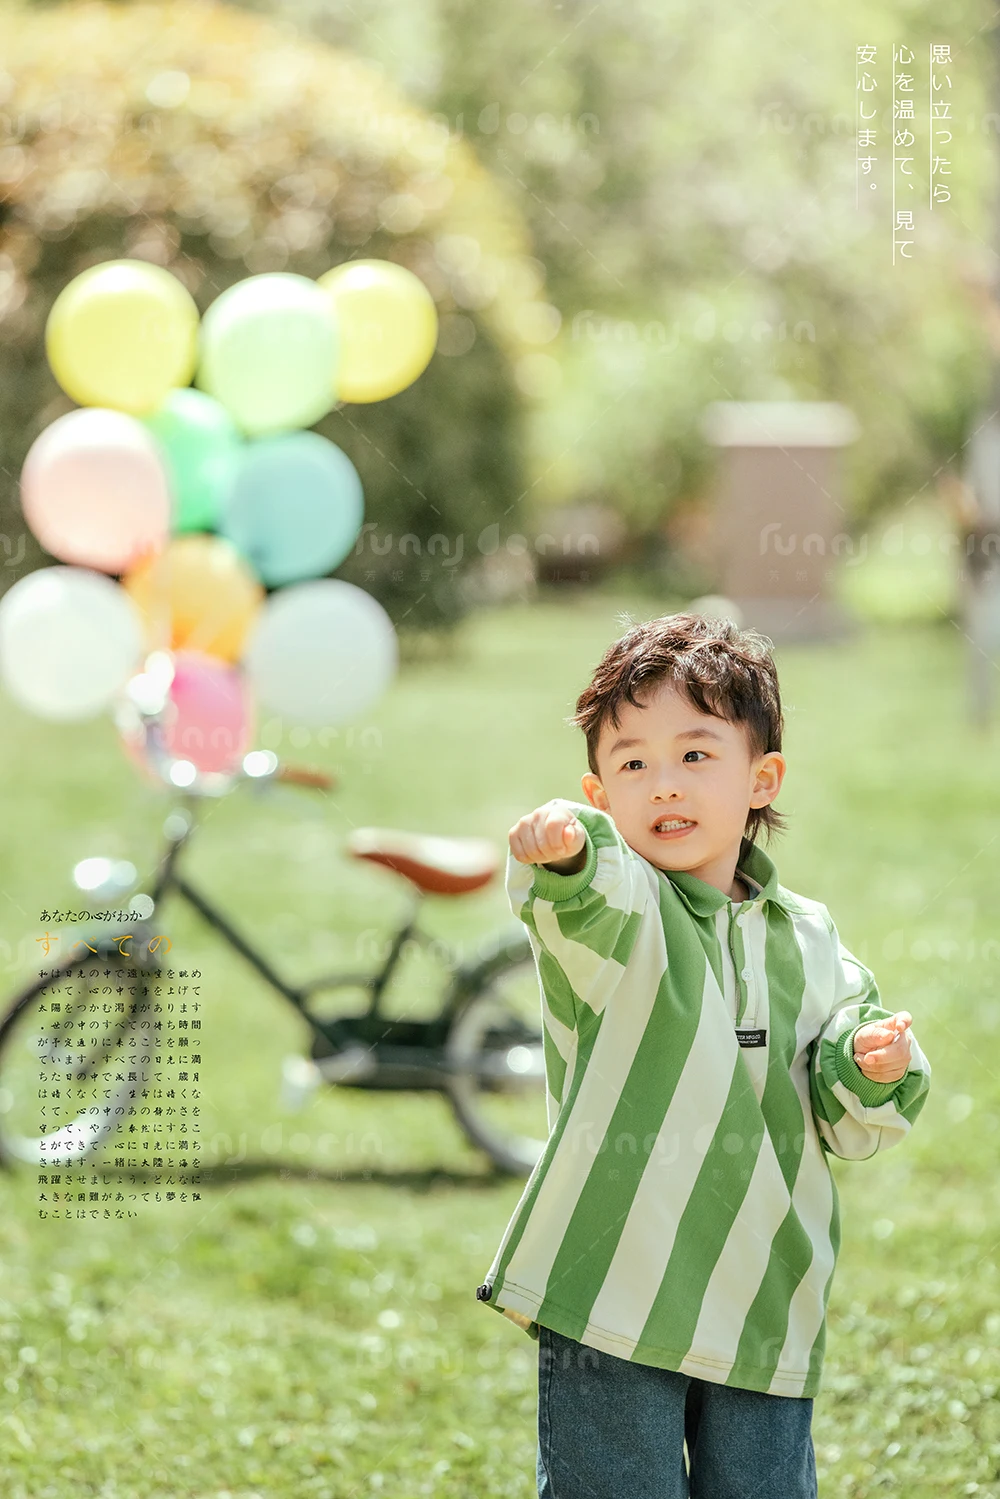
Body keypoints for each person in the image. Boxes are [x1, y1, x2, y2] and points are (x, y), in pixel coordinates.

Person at [474, 611, 931, 1499]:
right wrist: (567, 850)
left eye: (694, 754)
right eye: (632, 764)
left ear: (762, 778)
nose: (664, 785)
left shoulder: (808, 937)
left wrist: (870, 1063)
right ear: (600, 792)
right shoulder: (626, 912)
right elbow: (582, 895)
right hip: (614, 1290)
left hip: (766, 1291)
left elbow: (848, 1100)